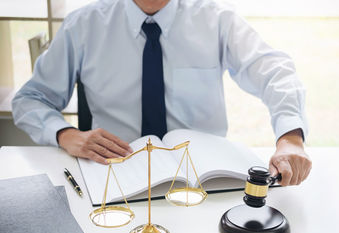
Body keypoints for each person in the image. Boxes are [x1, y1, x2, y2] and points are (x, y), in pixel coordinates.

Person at [12, 0, 312, 186]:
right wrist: (67, 134)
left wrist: (290, 138)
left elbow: (275, 71)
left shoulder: (217, 18)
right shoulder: (83, 25)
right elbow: (30, 99)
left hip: (203, 180)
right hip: (114, 176)